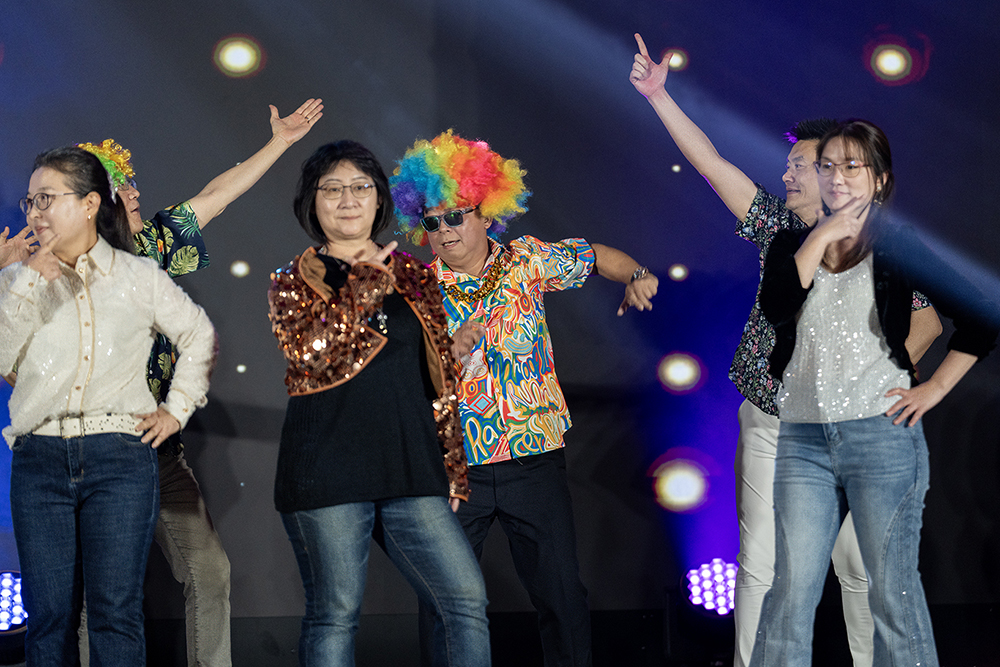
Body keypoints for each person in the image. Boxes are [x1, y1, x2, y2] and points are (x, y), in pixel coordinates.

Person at [628, 33, 944, 666]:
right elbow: (712, 165)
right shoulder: (778, 229)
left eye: (801, 165)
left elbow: (929, 322)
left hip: (854, 424)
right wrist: (659, 97)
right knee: (762, 563)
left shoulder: (879, 244)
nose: (788, 175)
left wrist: (883, 383)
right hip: (776, 417)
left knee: (862, 568)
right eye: (794, 166)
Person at [391, 130, 659, 667]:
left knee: (560, 594)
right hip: (453, 469)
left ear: (487, 213)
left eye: (455, 216)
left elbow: (595, 256)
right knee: (445, 604)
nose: (444, 231)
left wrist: (637, 274)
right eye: (432, 222)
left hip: (532, 459)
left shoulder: (527, 261)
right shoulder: (413, 289)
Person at [73, 97, 322, 667]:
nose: (135, 193)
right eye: (121, 188)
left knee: (210, 573)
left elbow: (218, 194)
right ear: (93, 206)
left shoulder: (152, 248)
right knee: (98, 596)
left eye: (131, 183)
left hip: (159, 453)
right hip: (94, 455)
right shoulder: (66, 271)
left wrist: (279, 143)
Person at [751, 119, 999, 666]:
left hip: (880, 437)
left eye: (851, 166)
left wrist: (934, 388)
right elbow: (777, 309)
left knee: (892, 593)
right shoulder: (792, 243)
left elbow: (982, 318)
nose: (836, 178)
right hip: (803, 439)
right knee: (790, 592)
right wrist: (821, 235)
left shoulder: (897, 245)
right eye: (827, 167)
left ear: (879, 179)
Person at [267, 140, 490, 667]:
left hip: (409, 468)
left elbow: (436, 377)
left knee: (465, 601)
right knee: (335, 614)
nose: (348, 200)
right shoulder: (293, 280)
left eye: (360, 187)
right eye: (332, 189)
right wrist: (365, 282)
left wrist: (452, 467)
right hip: (326, 473)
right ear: (312, 202)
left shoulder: (413, 274)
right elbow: (315, 356)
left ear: (379, 199)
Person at [0, 146, 216, 665]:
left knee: (115, 613)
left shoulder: (136, 275)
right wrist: (27, 281)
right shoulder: (16, 280)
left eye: (47, 199)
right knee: (48, 618)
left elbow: (197, 333)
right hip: (39, 459)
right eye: (30, 201)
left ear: (90, 203)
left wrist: (176, 409)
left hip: (119, 456)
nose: (35, 212)